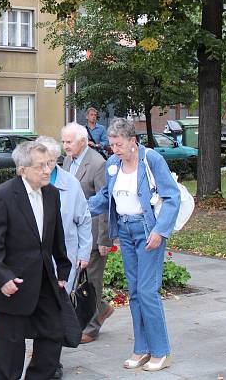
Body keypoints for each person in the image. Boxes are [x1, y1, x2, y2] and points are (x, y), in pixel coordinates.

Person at [87, 118, 180, 372]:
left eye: (118, 144)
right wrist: (82, 210)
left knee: (148, 291)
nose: (114, 149)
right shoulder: (112, 165)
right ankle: (141, 349)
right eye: (112, 144)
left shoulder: (151, 160)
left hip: (148, 231)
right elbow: (107, 196)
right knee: (135, 292)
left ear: (132, 141)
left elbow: (173, 197)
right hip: (125, 232)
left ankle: (161, 351)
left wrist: (160, 231)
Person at [0, 140, 71, 380]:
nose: (47, 170)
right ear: (23, 169)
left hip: (44, 282)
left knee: (54, 334)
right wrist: (3, 277)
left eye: (49, 164)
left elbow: (55, 235)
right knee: (11, 351)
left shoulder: (51, 194)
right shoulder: (3, 195)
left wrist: (63, 271)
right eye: (40, 166)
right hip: (13, 285)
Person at [37, 136, 92, 379]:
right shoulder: (29, 182)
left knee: (56, 310)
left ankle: (52, 361)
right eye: (42, 161)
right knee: (39, 310)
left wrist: (83, 253)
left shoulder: (70, 183)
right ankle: (41, 357)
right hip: (35, 261)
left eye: (51, 161)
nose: (47, 167)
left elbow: (84, 220)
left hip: (63, 259)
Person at [61, 122, 114, 343]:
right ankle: (101, 308)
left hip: (92, 233)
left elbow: (106, 202)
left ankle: (91, 327)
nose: (65, 146)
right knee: (76, 279)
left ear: (82, 141)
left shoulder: (97, 164)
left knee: (92, 280)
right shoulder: (67, 160)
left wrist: (104, 238)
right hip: (72, 234)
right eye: (63, 141)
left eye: (69, 142)